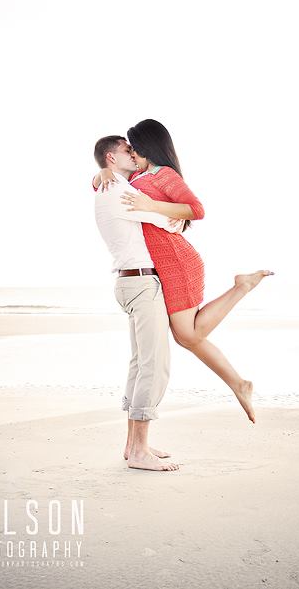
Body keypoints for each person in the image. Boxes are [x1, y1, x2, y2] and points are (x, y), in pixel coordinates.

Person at [93, 119, 274, 424]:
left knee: (187, 335)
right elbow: (109, 185)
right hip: (160, 266)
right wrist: (101, 173)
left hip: (176, 261)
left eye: (134, 146)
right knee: (186, 336)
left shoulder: (164, 174)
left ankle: (242, 290)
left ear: (147, 145)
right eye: (128, 149)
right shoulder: (135, 175)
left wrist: (154, 205)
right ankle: (239, 382)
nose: (132, 152)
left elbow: (196, 210)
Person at [93, 135, 181, 472]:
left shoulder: (108, 186)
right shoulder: (119, 190)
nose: (134, 153)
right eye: (127, 150)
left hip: (130, 281)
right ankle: (140, 451)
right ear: (111, 158)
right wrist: (171, 216)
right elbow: (167, 220)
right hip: (142, 282)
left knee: (139, 363)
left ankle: (133, 445)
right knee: (154, 365)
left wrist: (101, 172)